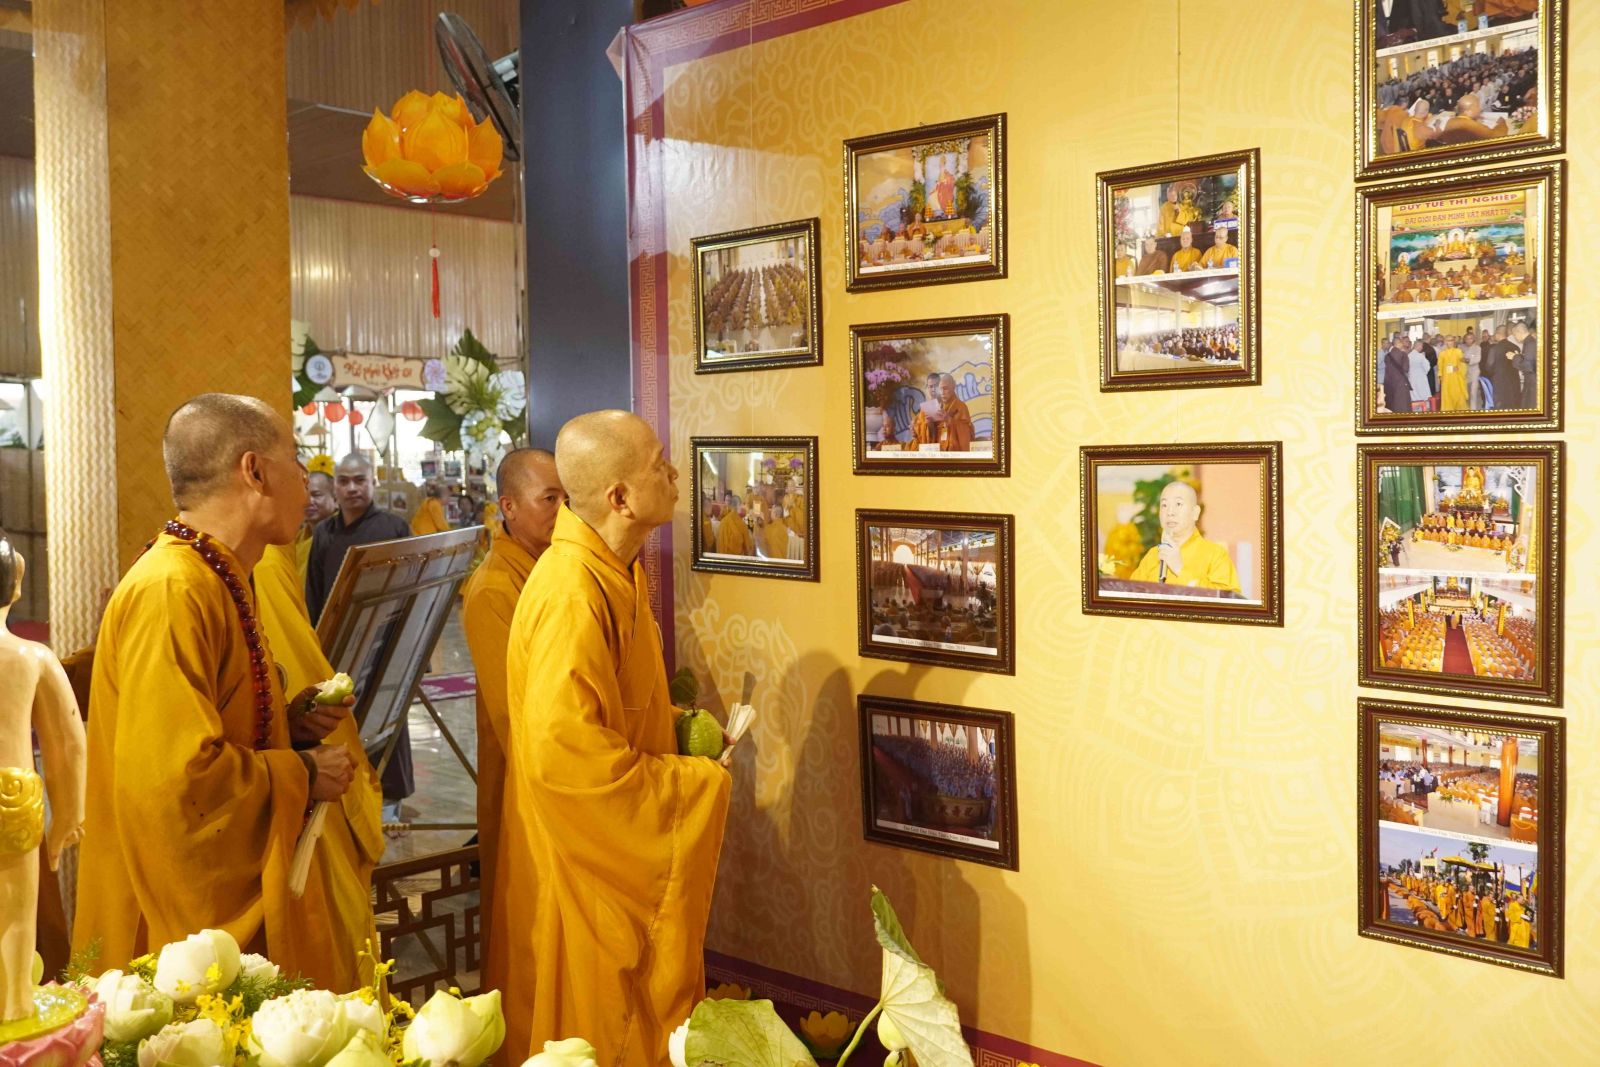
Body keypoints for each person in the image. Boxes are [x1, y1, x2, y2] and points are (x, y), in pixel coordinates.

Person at [74, 394, 360, 985]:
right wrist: (303, 772)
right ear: (254, 471)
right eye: (295, 460)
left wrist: (286, 726)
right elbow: (175, 783)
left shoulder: (219, 573)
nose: (307, 482)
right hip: (178, 930)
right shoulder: (173, 590)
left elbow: (210, 728)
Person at [493, 410, 732, 1065]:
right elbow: (565, 761)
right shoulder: (572, 592)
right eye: (659, 463)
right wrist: (691, 784)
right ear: (620, 497)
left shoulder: (613, 571)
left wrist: (676, 730)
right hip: (585, 869)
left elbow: (614, 710)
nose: (674, 473)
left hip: (602, 866)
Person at [252, 533, 382, 993]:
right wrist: (306, 770)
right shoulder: (255, 566)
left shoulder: (261, 560)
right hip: (252, 832)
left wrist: (296, 724)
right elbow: (187, 771)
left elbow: (255, 715)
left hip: (280, 787)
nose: (308, 497)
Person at [462, 447, 564, 1000]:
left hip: (564, 769)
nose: (563, 510)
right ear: (509, 507)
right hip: (528, 784)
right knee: (527, 937)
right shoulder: (494, 589)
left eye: (567, 497)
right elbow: (517, 714)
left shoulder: (554, 570)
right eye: (549, 498)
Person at [0, 531, 85, 1022]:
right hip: (12, 794)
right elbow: (68, 743)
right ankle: (14, 1002)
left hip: (16, 795)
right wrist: (68, 816)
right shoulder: (32, 657)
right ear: (16, 586)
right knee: (15, 912)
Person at [305, 454, 413, 825]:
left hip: (386, 645)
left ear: (373, 482)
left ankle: (390, 801)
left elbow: (411, 590)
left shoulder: (393, 527)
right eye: (344, 481)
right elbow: (315, 594)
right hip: (340, 646)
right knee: (342, 722)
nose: (352, 488)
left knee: (387, 720)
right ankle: (349, 799)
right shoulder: (324, 533)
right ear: (335, 486)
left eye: (360, 480)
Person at [1128, 480, 1242, 594]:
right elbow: (1130, 595)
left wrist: (1180, 569)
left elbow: (1227, 599)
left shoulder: (1216, 554)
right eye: (1164, 505)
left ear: (1195, 512)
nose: (1170, 512)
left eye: (1178, 504)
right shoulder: (1152, 556)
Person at [297, 471, 337, 581]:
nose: (308, 501)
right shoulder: (298, 536)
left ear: (335, 498)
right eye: (304, 495)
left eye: (316, 495)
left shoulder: (341, 534)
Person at [1444, 93, 1509, 141]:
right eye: (1477, 106)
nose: (1480, 109)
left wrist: (1474, 119)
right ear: (1469, 111)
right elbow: (1497, 137)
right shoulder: (1473, 126)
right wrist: (1502, 123)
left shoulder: (1450, 121)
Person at [1486, 325, 1523, 409]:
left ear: (1498, 334)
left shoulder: (1494, 349)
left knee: (1501, 408)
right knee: (1514, 406)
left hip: (1500, 383)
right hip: (1514, 382)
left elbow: (1489, 368)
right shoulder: (1516, 347)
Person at [908, 371, 943, 446]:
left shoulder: (946, 404)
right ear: (928, 388)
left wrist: (931, 426)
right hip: (928, 446)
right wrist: (914, 428)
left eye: (936, 386)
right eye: (931, 386)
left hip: (942, 443)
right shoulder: (925, 407)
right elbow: (918, 428)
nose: (933, 389)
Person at [1438, 335, 1469, 411]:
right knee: (1447, 396)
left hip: (1456, 377)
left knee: (1458, 395)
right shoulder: (1442, 353)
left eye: (1452, 340)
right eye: (1448, 340)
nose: (1450, 342)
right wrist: (1440, 375)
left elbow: (1462, 363)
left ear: (1454, 342)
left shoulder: (1458, 351)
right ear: (1445, 342)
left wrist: (1459, 367)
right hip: (1446, 379)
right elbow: (1440, 366)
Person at [1383, 334, 1413, 413]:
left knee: (1392, 404)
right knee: (1402, 404)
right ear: (1399, 344)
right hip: (1400, 383)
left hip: (1389, 383)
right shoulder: (1403, 354)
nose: (1403, 344)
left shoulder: (1387, 356)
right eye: (1402, 343)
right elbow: (1406, 369)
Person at [1510, 319, 1537, 404]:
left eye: (1514, 335)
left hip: (1532, 384)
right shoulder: (1529, 342)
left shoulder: (1530, 343)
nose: (1515, 337)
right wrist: (1519, 356)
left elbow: (1528, 366)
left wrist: (1514, 357)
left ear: (1519, 332)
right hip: (1531, 382)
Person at [1407, 335, 1435, 411]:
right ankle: (1424, 408)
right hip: (1421, 378)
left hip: (1411, 378)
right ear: (1418, 346)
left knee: (1414, 394)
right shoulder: (1420, 356)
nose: (1422, 348)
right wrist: (1424, 373)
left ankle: (1415, 408)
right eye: (1422, 346)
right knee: (1423, 393)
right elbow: (1427, 366)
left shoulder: (1408, 356)